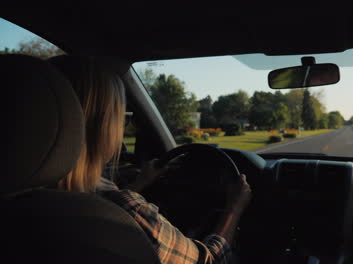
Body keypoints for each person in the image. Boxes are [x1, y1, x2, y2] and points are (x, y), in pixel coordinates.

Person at [47, 55, 251, 264]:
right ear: (99, 127)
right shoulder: (126, 210)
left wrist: (140, 183)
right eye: (121, 119)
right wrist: (234, 208)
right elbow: (210, 261)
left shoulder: (24, 198)